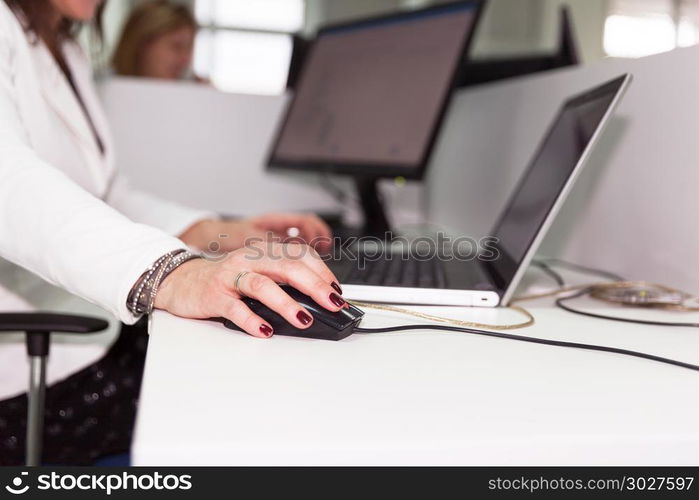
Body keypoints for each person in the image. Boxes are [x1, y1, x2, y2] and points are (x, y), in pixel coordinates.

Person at [0, 0, 345, 465]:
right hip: (33, 377)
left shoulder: (63, 46)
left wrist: (220, 231)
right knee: (244, 406)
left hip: (94, 329)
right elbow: (10, 184)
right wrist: (171, 274)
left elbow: (105, 193)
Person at [112, 0, 196, 80]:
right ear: (142, 44)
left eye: (188, 49)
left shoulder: (189, 90)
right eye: (177, 46)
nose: (186, 59)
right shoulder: (104, 87)